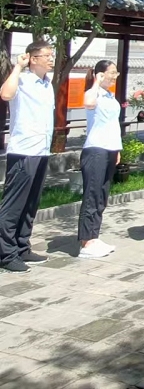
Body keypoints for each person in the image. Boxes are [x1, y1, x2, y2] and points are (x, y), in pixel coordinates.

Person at [0, 40, 56, 273]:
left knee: (31, 204)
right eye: (47, 55)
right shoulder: (21, 79)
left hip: (41, 150)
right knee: (13, 205)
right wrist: (17, 67)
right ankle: (6, 254)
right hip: (23, 151)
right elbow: (5, 94)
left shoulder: (47, 83)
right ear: (33, 58)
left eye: (52, 55)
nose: (51, 59)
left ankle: (22, 246)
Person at [78, 60, 122, 259]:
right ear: (100, 74)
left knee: (102, 195)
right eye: (112, 73)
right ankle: (86, 242)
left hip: (110, 149)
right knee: (92, 195)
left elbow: (113, 124)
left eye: (116, 73)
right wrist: (96, 82)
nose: (115, 76)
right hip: (95, 149)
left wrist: (117, 149)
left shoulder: (110, 96)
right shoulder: (93, 93)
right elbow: (88, 103)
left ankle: (94, 236)